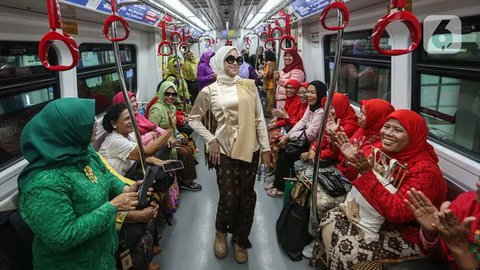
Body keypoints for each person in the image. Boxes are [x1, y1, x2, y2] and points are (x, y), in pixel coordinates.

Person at [310, 110, 447, 269]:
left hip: (406, 232)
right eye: (386, 126)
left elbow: (399, 213)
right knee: (330, 216)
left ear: (414, 135)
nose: (388, 133)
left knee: (347, 249)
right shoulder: (379, 149)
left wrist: (367, 173)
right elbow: (354, 178)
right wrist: (350, 161)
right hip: (372, 214)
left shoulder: (425, 171)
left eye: (398, 130)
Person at [18, 98, 140, 269]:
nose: (96, 124)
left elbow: (106, 176)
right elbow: (63, 236)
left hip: (102, 255)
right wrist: (113, 206)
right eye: (88, 123)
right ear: (68, 130)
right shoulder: (43, 184)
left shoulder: (83, 150)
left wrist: (125, 188)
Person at [189, 46, 271, 264]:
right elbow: (193, 119)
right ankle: (221, 231)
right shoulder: (209, 91)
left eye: (239, 59)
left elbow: (259, 119)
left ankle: (240, 239)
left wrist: (266, 149)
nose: (235, 62)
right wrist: (211, 139)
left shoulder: (248, 86)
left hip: (250, 148)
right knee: (228, 196)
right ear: (219, 63)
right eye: (230, 59)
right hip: (224, 149)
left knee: (246, 196)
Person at [267, 81, 327, 197]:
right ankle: (277, 183)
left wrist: (289, 137)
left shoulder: (321, 111)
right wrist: (287, 136)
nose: (308, 95)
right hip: (302, 139)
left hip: (312, 144)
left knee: (288, 154)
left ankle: (281, 188)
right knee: (282, 148)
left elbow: (310, 134)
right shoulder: (311, 106)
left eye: (312, 92)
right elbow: (302, 122)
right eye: (308, 92)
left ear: (320, 94)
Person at [406, 181, 480, 270]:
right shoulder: (465, 201)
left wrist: (461, 250)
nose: (478, 184)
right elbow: (438, 256)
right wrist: (431, 233)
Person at [148, 81, 201, 192]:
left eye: (173, 94)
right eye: (167, 94)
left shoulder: (171, 107)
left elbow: (174, 127)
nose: (170, 97)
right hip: (162, 141)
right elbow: (151, 130)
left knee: (188, 141)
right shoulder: (156, 110)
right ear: (162, 93)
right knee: (184, 151)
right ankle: (187, 181)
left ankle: (184, 174)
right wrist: (167, 138)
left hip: (172, 137)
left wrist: (178, 136)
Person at [262, 50, 277, 117]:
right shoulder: (274, 63)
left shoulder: (268, 64)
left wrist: (261, 75)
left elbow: (266, 74)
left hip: (269, 84)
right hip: (273, 83)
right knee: (272, 99)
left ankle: (268, 112)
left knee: (269, 99)